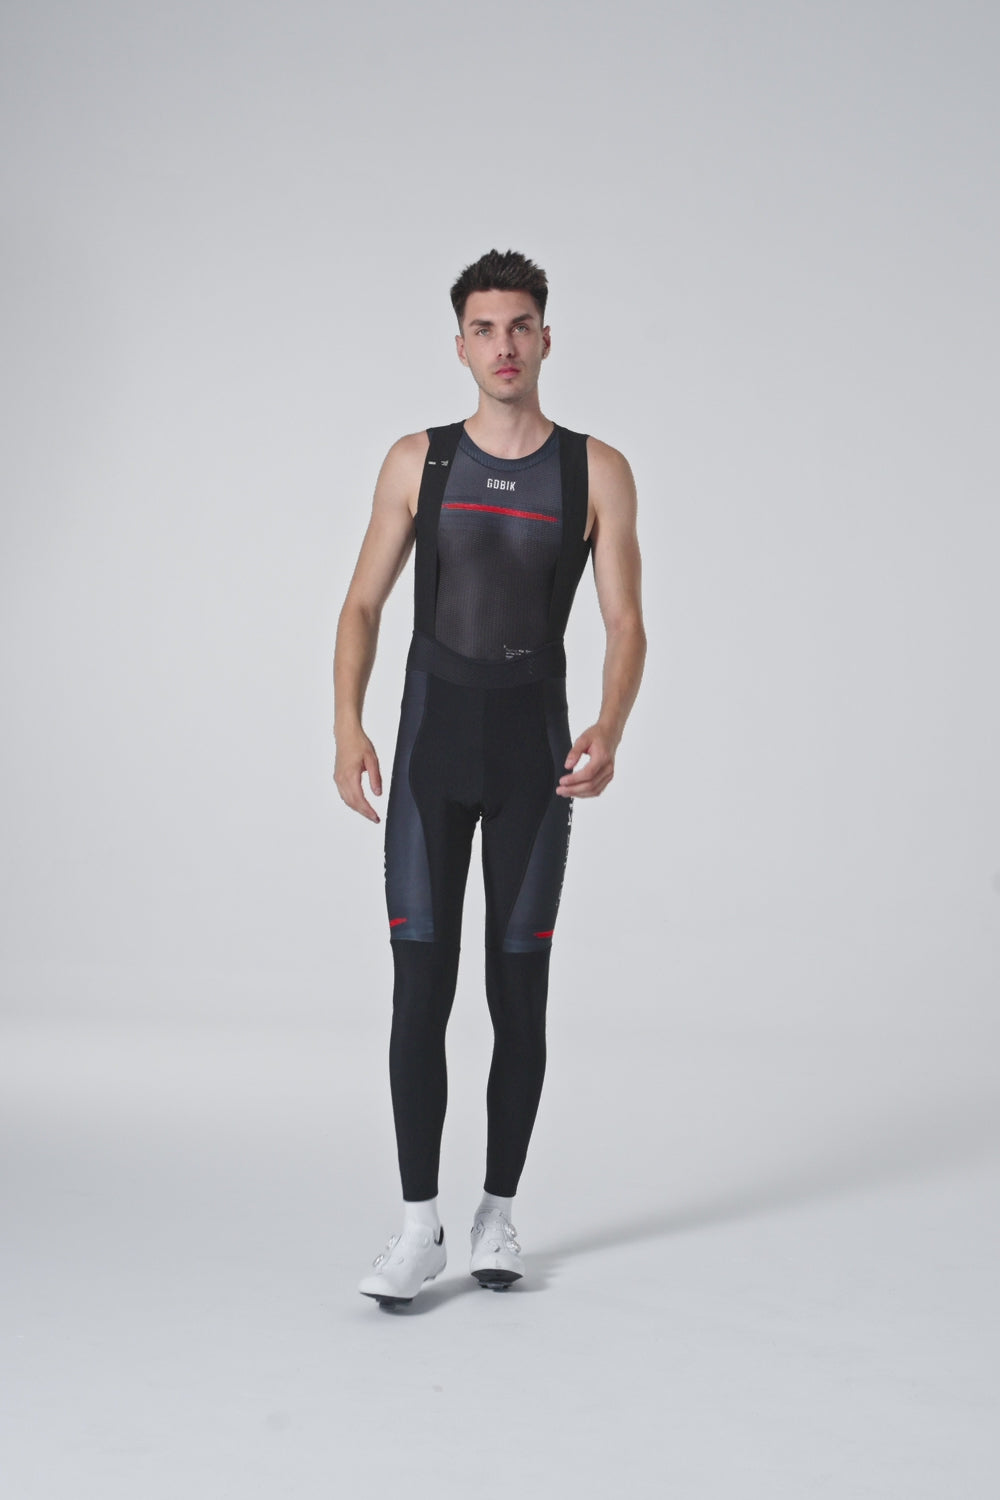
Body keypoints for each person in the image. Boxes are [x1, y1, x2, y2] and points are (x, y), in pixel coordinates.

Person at [333, 249, 645, 1306]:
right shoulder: (417, 460)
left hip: (532, 758)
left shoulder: (594, 471)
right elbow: (363, 605)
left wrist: (610, 723)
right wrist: (346, 724)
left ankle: (496, 1213)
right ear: (459, 344)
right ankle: (418, 1225)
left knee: (519, 993)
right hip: (430, 750)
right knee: (420, 988)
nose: (503, 346)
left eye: (520, 327)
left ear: (545, 338)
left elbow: (625, 621)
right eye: (484, 328)